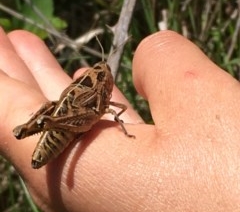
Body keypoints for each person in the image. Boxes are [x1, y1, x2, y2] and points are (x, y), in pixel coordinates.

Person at [0, 27, 240, 212]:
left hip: (69, 121)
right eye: (103, 74)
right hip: (61, 127)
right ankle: (39, 124)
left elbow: (114, 108)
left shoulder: (96, 90)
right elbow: (109, 110)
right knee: (51, 111)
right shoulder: (93, 91)